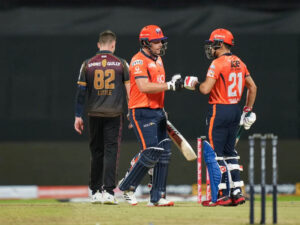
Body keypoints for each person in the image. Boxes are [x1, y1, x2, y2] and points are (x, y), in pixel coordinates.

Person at [184, 28, 257, 206]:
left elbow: (205, 89)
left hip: (219, 110)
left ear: (220, 43)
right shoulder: (239, 62)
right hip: (235, 110)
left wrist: (192, 84)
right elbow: (253, 87)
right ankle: (237, 192)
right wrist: (247, 110)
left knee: (216, 154)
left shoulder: (217, 63)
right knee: (231, 153)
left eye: (212, 44)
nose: (210, 48)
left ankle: (223, 194)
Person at [118, 25, 183, 206]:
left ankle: (157, 197)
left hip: (157, 110)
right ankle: (126, 186)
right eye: (156, 41)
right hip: (141, 111)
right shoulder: (138, 61)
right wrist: (170, 85)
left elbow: (158, 87)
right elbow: (144, 87)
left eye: (161, 40)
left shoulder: (159, 59)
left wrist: (162, 108)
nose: (160, 44)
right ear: (145, 43)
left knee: (165, 151)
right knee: (152, 151)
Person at [74, 30, 130, 205]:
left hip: (94, 114)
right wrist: (131, 112)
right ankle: (109, 192)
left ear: (99, 45)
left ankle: (95, 191)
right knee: (111, 152)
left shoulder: (87, 64)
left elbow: (81, 93)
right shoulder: (122, 64)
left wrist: (77, 116)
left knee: (96, 152)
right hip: (114, 114)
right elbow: (130, 92)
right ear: (113, 45)